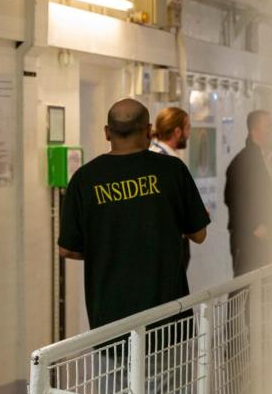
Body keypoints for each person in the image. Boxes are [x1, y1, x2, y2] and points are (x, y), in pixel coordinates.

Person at [58, 99, 209, 329]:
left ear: (107, 133)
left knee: (114, 365)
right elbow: (198, 234)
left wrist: (112, 251)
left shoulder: (83, 179)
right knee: (173, 365)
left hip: (109, 327)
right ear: (149, 130)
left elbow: (67, 248)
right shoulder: (172, 170)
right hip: (168, 323)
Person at [224, 109, 272, 276]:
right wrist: (254, 227)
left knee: (269, 291)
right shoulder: (243, 162)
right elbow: (234, 198)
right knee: (247, 291)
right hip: (251, 242)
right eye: (269, 126)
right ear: (255, 131)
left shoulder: (271, 159)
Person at [150, 106, 194, 270]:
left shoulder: (153, 154)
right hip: (168, 242)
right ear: (177, 132)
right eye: (188, 127)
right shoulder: (168, 163)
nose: (189, 133)